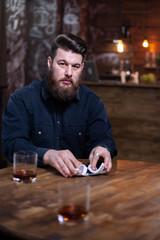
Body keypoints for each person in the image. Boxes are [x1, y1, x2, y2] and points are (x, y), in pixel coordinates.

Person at [2, 33, 117, 177]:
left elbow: (104, 139)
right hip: (33, 185)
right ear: (50, 63)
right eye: (62, 64)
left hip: (79, 188)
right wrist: (48, 155)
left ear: (82, 68)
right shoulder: (22, 100)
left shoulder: (92, 102)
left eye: (75, 66)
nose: (69, 73)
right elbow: (12, 145)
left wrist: (103, 148)